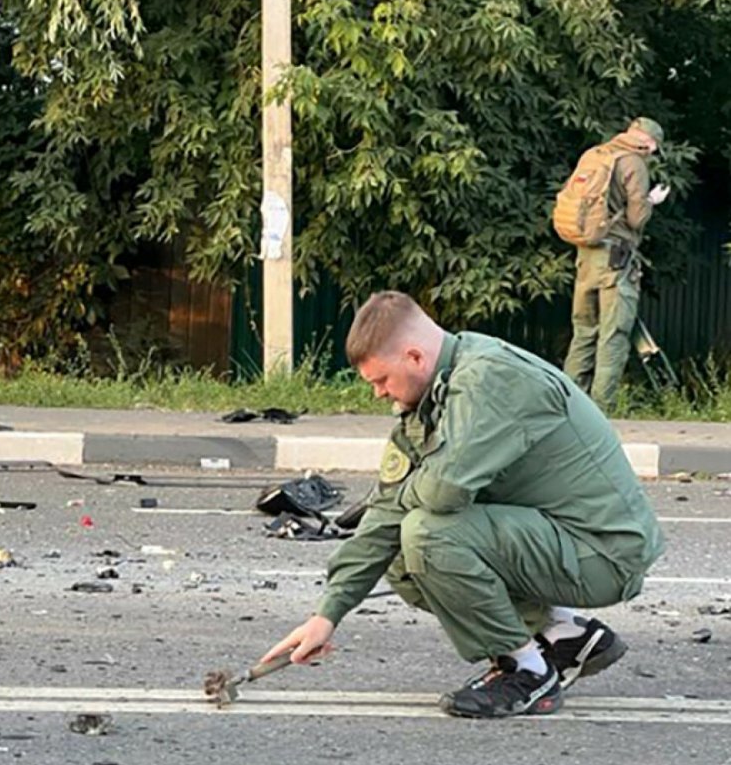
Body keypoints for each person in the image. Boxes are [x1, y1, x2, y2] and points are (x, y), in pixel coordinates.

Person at [263, 292, 664, 719]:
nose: (379, 394)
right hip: (558, 537)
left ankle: (526, 672)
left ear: (415, 357)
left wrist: (403, 498)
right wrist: (327, 614)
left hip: (603, 552)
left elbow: (441, 493)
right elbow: (386, 510)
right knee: (400, 549)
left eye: (381, 380)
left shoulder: (490, 381)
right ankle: (563, 633)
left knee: (427, 532)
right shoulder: (433, 395)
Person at [561, 116, 671, 408]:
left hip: (586, 254)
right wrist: (650, 201)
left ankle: (569, 407)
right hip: (616, 259)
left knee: (583, 331)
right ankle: (602, 411)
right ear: (648, 143)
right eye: (654, 148)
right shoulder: (633, 163)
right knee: (614, 334)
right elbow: (636, 219)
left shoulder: (595, 155)